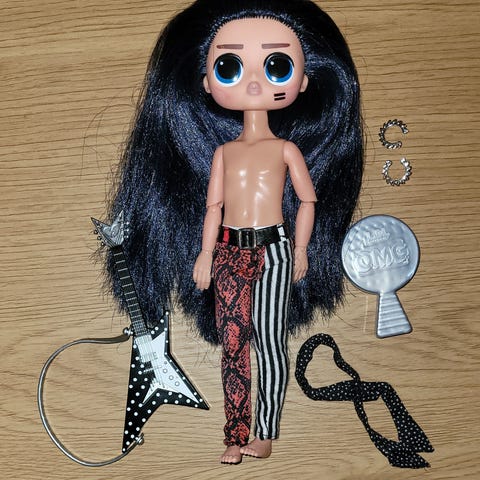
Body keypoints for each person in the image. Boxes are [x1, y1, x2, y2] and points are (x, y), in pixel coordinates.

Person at [105, 0, 363, 465]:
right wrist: (205, 254)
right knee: (233, 347)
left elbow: (308, 201)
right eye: (229, 67)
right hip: (227, 252)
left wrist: (302, 248)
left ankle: (264, 433)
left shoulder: (286, 150)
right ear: (206, 82)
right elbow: (213, 207)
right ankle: (234, 433)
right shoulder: (223, 153)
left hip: (275, 250)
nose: (255, 82)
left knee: (271, 344)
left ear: (304, 82)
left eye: (277, 65)